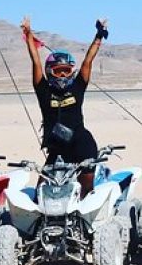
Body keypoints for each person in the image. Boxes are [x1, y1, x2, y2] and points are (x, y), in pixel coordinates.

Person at [22, 17, 106, 197]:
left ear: (72, 71)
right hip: (57, 148)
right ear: (49, 71)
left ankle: (84, 212)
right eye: (57, 70)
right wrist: (28, 34)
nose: (61, 74)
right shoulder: (43, 90)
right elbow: (35, 60)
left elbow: (88, 61)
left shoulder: (77, 87)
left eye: (65, 70)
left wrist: (99, 35)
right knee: (40, 194)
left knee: (86, 189)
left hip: (80, 142)